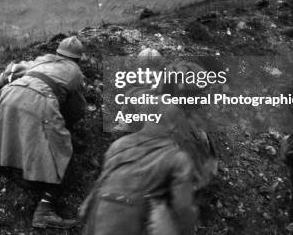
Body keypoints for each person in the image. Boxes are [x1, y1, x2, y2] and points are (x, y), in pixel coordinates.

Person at [79, 61, 217, 235]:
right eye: (199, 96)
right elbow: (196, 184)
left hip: (104, 203)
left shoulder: (137, 99)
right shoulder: (189, 133)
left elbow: (121, 130)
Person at [0, 36, 87, 229]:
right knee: (62, 153)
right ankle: (45, 210)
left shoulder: (42, 59)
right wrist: (67, 128)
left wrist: (1, 81)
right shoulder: (75, 72)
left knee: (19, 133)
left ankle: (10, 170)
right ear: (78, 59)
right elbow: (76, 109)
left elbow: (12, 70)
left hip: (8, 94)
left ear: (58, 52)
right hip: (38, 101)